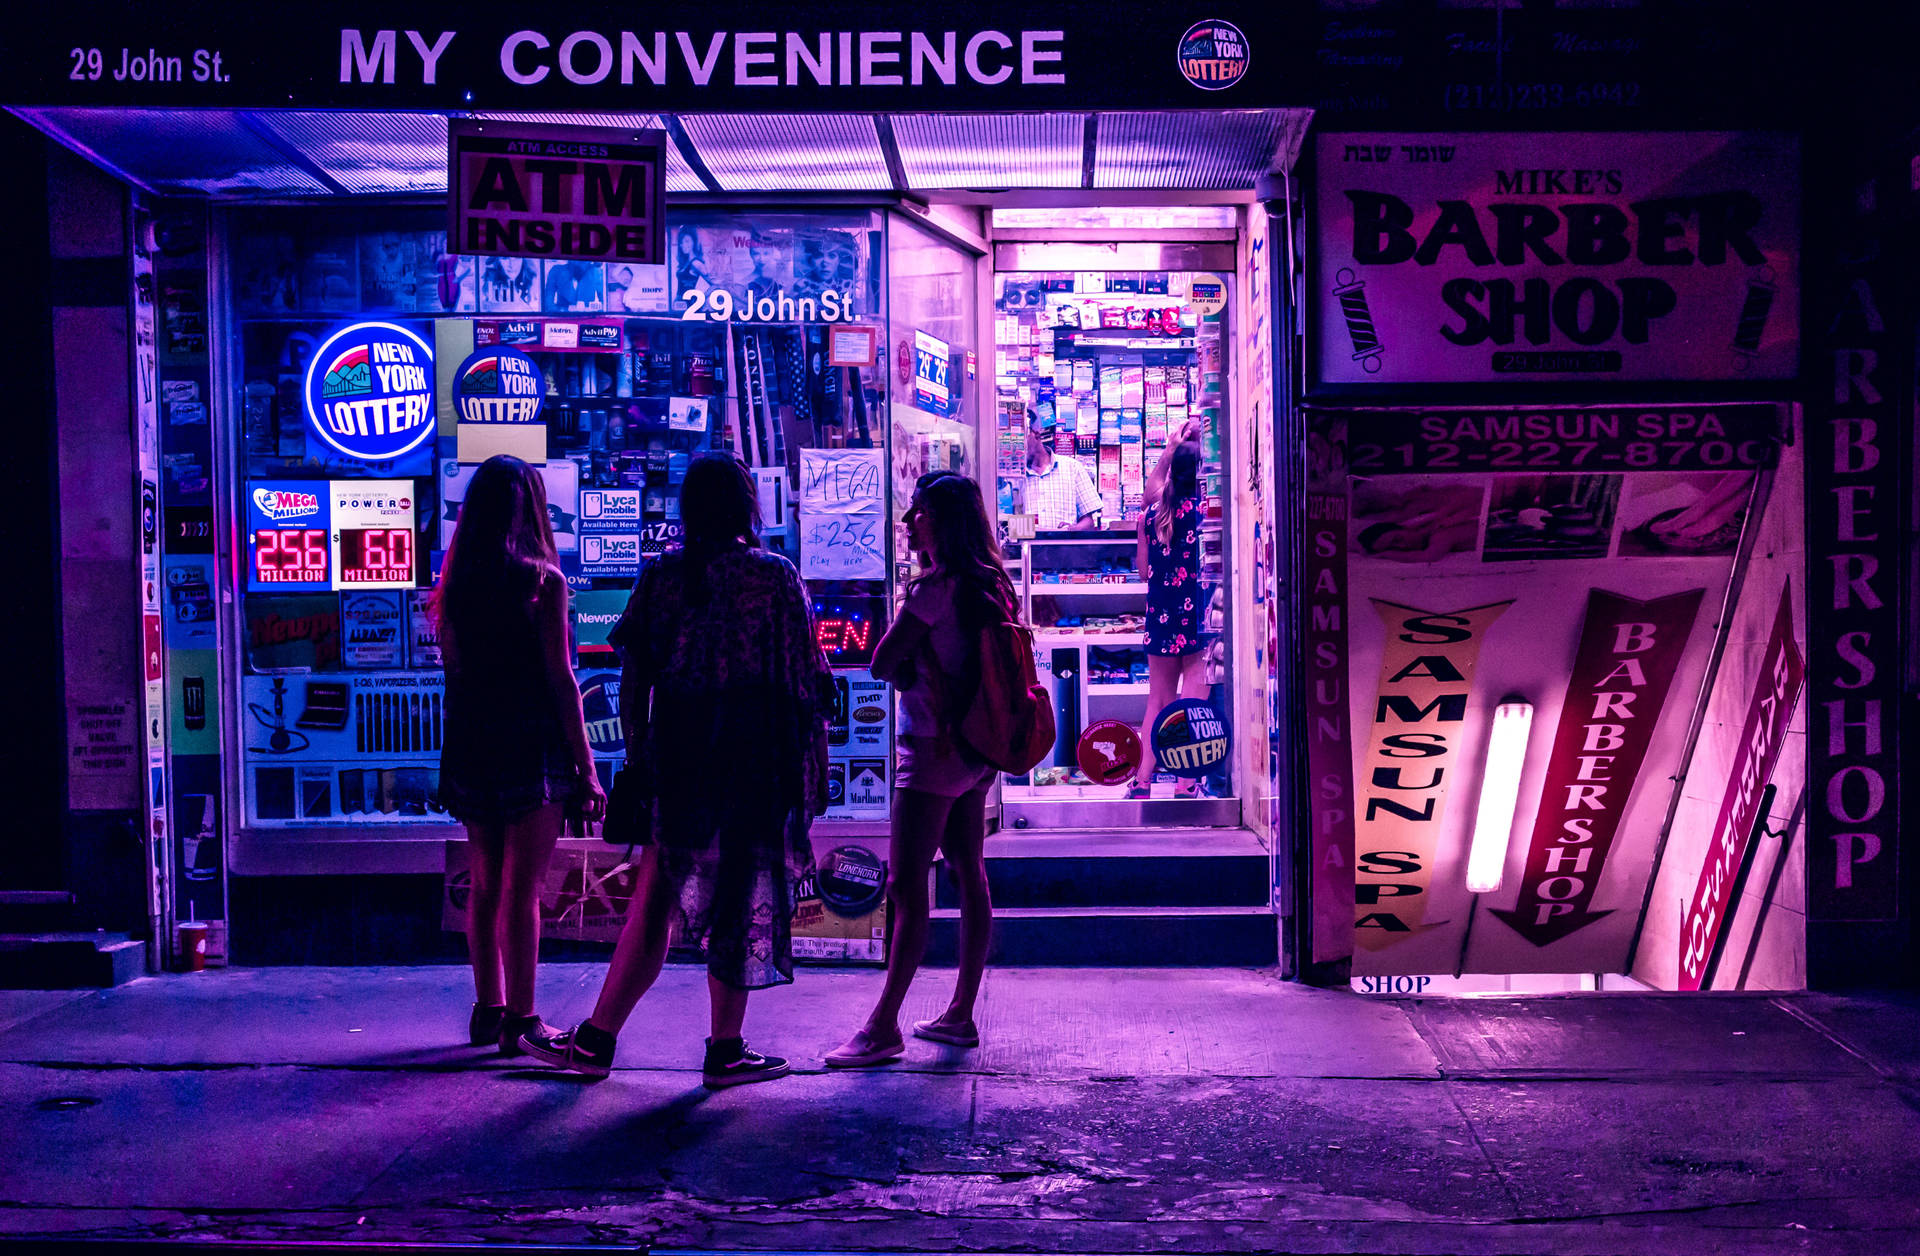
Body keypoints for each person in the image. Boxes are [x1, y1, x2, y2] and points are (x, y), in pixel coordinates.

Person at [524, 455, 833, 1087]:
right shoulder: (775, 577)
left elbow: (632, 669)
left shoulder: (664, 574)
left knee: (655, 897)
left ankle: (598, 1040)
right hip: (754, 756)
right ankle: (724, 1049)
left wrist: (639, 750)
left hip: (683, 753)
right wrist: (811, 762)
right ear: (748, 504)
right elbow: (810, 679)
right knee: (743, 898)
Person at [827, 472, 1012, 1067]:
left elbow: (882, 659)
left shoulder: (935, 590)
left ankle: (883, 1027)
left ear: (945, 521)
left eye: (920, 512)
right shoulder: (992, 583)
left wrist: (907, 672)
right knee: (968, 871)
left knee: (907, 885)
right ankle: (960, 1012)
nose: (909, 523)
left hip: (931, 750)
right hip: (979, 748)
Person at [434, 455, 607, 1055]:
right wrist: (585, 768)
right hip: (531, 741)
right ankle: (524, 1020)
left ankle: (489, 1009)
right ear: (533, 508)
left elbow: (455, 671)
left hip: (472, 738)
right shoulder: (542, 580)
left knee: (484, 883)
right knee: (522, 889)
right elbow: (562, 681)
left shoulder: (455, 585)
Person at [1132, 425, 1210, 798]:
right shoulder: (1205, 515)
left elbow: (1144, 571)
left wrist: (1170, 448)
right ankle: (1186, 782)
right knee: (1192, 703)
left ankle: (1142, 781)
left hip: (1159, 616)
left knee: (1157, 700)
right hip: (1198, 618)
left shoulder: (1149, 517)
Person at [1023, 408, 1100, 531]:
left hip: (1063, 548)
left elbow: (1089, 522)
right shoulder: (1015, 478)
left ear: (1036, 433)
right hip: (1026, 548)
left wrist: (1072, 530)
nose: (1017, 445)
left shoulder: (1072, 468)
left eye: (1022, 437)